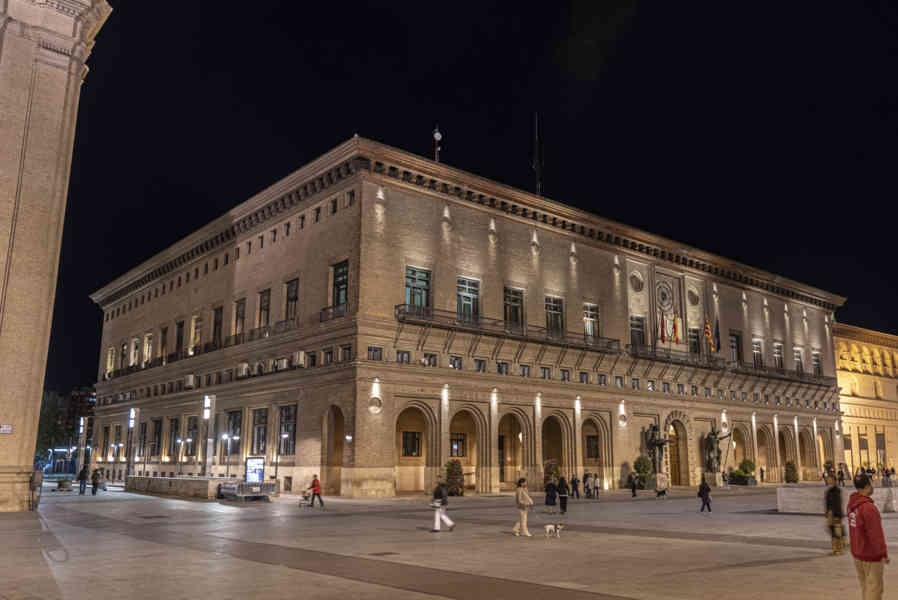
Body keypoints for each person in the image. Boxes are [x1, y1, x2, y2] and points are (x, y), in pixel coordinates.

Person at [848, 472, 889, 600]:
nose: (872, 486)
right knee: (875, 590)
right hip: (870, 555)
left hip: (857, 554)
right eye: (871, 483)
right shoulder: (868, 508)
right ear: (867, 486)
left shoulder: (851, 505)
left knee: (866, 587)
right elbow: (876, 535)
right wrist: (882, 554)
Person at [824, 474, 845, 555]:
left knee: (837, 532)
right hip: (830, 514)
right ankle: (835, 549)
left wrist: (836, 514)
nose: (828, 480)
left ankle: (839, 549)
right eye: (828, 479)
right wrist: (827, 513)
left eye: (830, 479)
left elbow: (838, 503)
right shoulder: (829, 491)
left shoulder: (837, 490)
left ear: (834, 480)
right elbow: (827, 503)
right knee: (833, 532)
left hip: (836, 514)